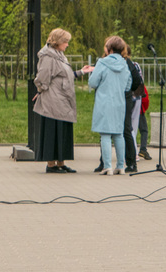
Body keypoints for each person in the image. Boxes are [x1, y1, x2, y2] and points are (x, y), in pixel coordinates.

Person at [33, 28, 88, 173]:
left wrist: (81, 72)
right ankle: (51, 164)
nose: (67, 44)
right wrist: (40, 91)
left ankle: (61, 162)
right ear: (57, 42)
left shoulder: (60, 55)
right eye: (65, 41)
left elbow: (65, 74)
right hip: (53, 100)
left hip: (62, 100)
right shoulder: (48, 57)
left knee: (62, 130)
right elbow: (42, 77)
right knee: (53, 130)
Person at [88, 35, 133, 175]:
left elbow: (92, 82)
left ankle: (107, 166)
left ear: (109, 49)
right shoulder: (125, 64)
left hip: (104, 102)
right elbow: (128, 85)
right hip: (120, 102)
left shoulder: (102, 63)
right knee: (119, 134)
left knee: (105, 135)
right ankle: (121, 166)